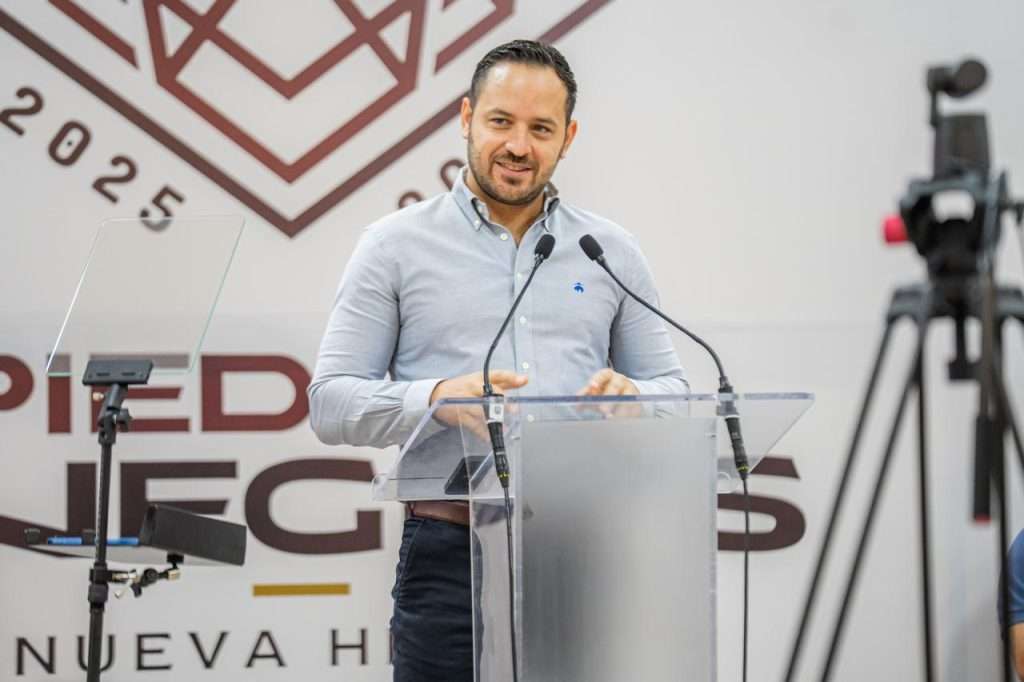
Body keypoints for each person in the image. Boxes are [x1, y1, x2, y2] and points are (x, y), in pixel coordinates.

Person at [308, 39, 688, 682]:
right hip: (448, 555)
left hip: (578, 546)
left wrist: (636, 402)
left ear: (567, 138)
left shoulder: (609, 251)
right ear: (466, 118)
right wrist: (435, 400)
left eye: (540, 128)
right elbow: (330, 403)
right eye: (501, 121)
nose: (518, 146)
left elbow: (674, 391)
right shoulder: (394, 246)